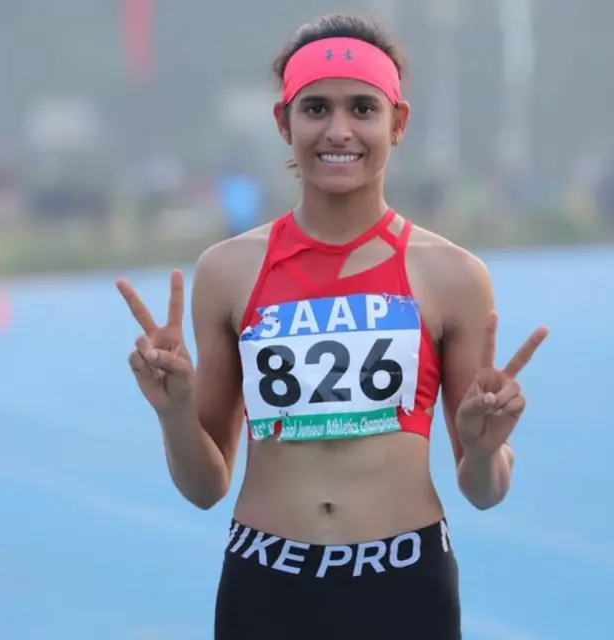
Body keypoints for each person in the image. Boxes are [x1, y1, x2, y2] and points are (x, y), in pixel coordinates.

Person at [116, 13, 548, 640]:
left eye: (362, 109)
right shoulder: (229, 270)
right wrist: (173, 411)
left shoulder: (452, 276)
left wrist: (484, 451)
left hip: (405, 586)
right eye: (316, 108)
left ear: (398, 122)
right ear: (283, 122)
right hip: (267, 584)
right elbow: (205, 486)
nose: (339, 130)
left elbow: (483, 490)